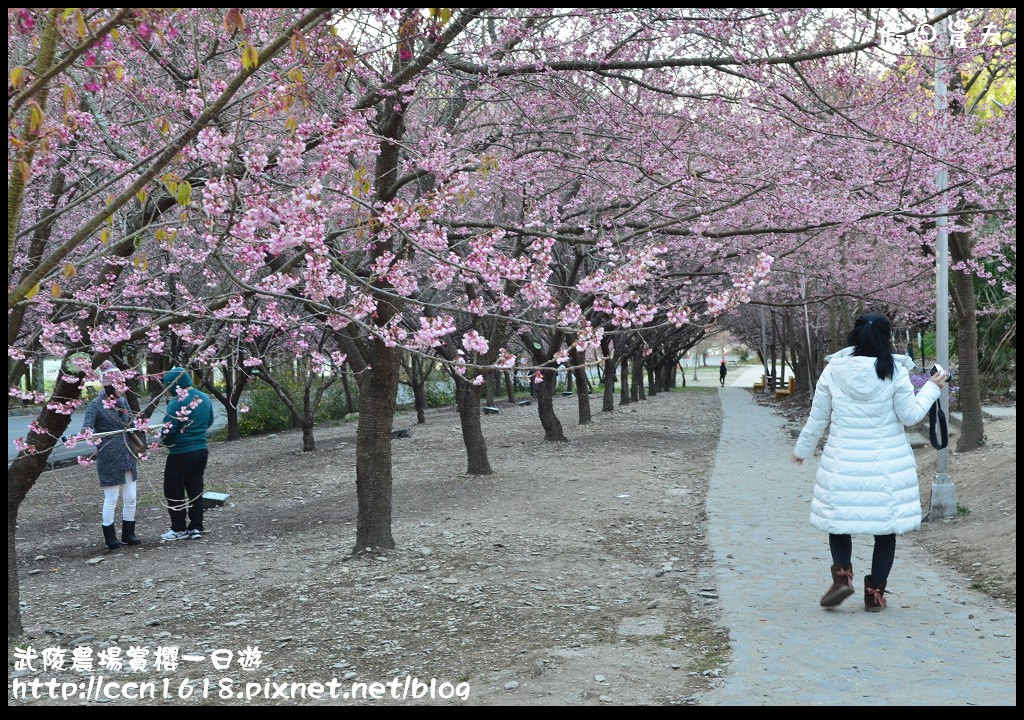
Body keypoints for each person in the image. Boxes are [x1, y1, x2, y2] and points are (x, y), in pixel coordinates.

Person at [791, 312, 946, 611]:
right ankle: (874, 593)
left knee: (838, 523)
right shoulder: (893, 370)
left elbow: (818, 417)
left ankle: (842, 576)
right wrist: (932, 387)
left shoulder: (834, 370)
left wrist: (802, 449)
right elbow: (910, 416)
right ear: (887, 337)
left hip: (842, 462)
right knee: (885, 530)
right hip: (885, 465)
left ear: (855, 334)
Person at [81, 369, 142, 550]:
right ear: (109, 386)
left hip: (127, 455)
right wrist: (88, 434)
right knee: (111, 499)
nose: (123, 388)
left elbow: (129, 422)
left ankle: (128, 533)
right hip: (109, 456)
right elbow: (87, 427)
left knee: (131, 498)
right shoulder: (95, 404)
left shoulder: (122, 401)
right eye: (119, 385)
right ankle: (110, 537)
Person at [159, 367, 214, 541]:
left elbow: (169, 429)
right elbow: (210, 420)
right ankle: (196, 527)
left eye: (168, 386)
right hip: (201, 450)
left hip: (180, 452)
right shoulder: (204, 398)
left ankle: (178, 528)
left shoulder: (176, 402)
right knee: (195, 489)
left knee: (173, 490)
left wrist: (166, 442)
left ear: (175, 385)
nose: (167, 389)